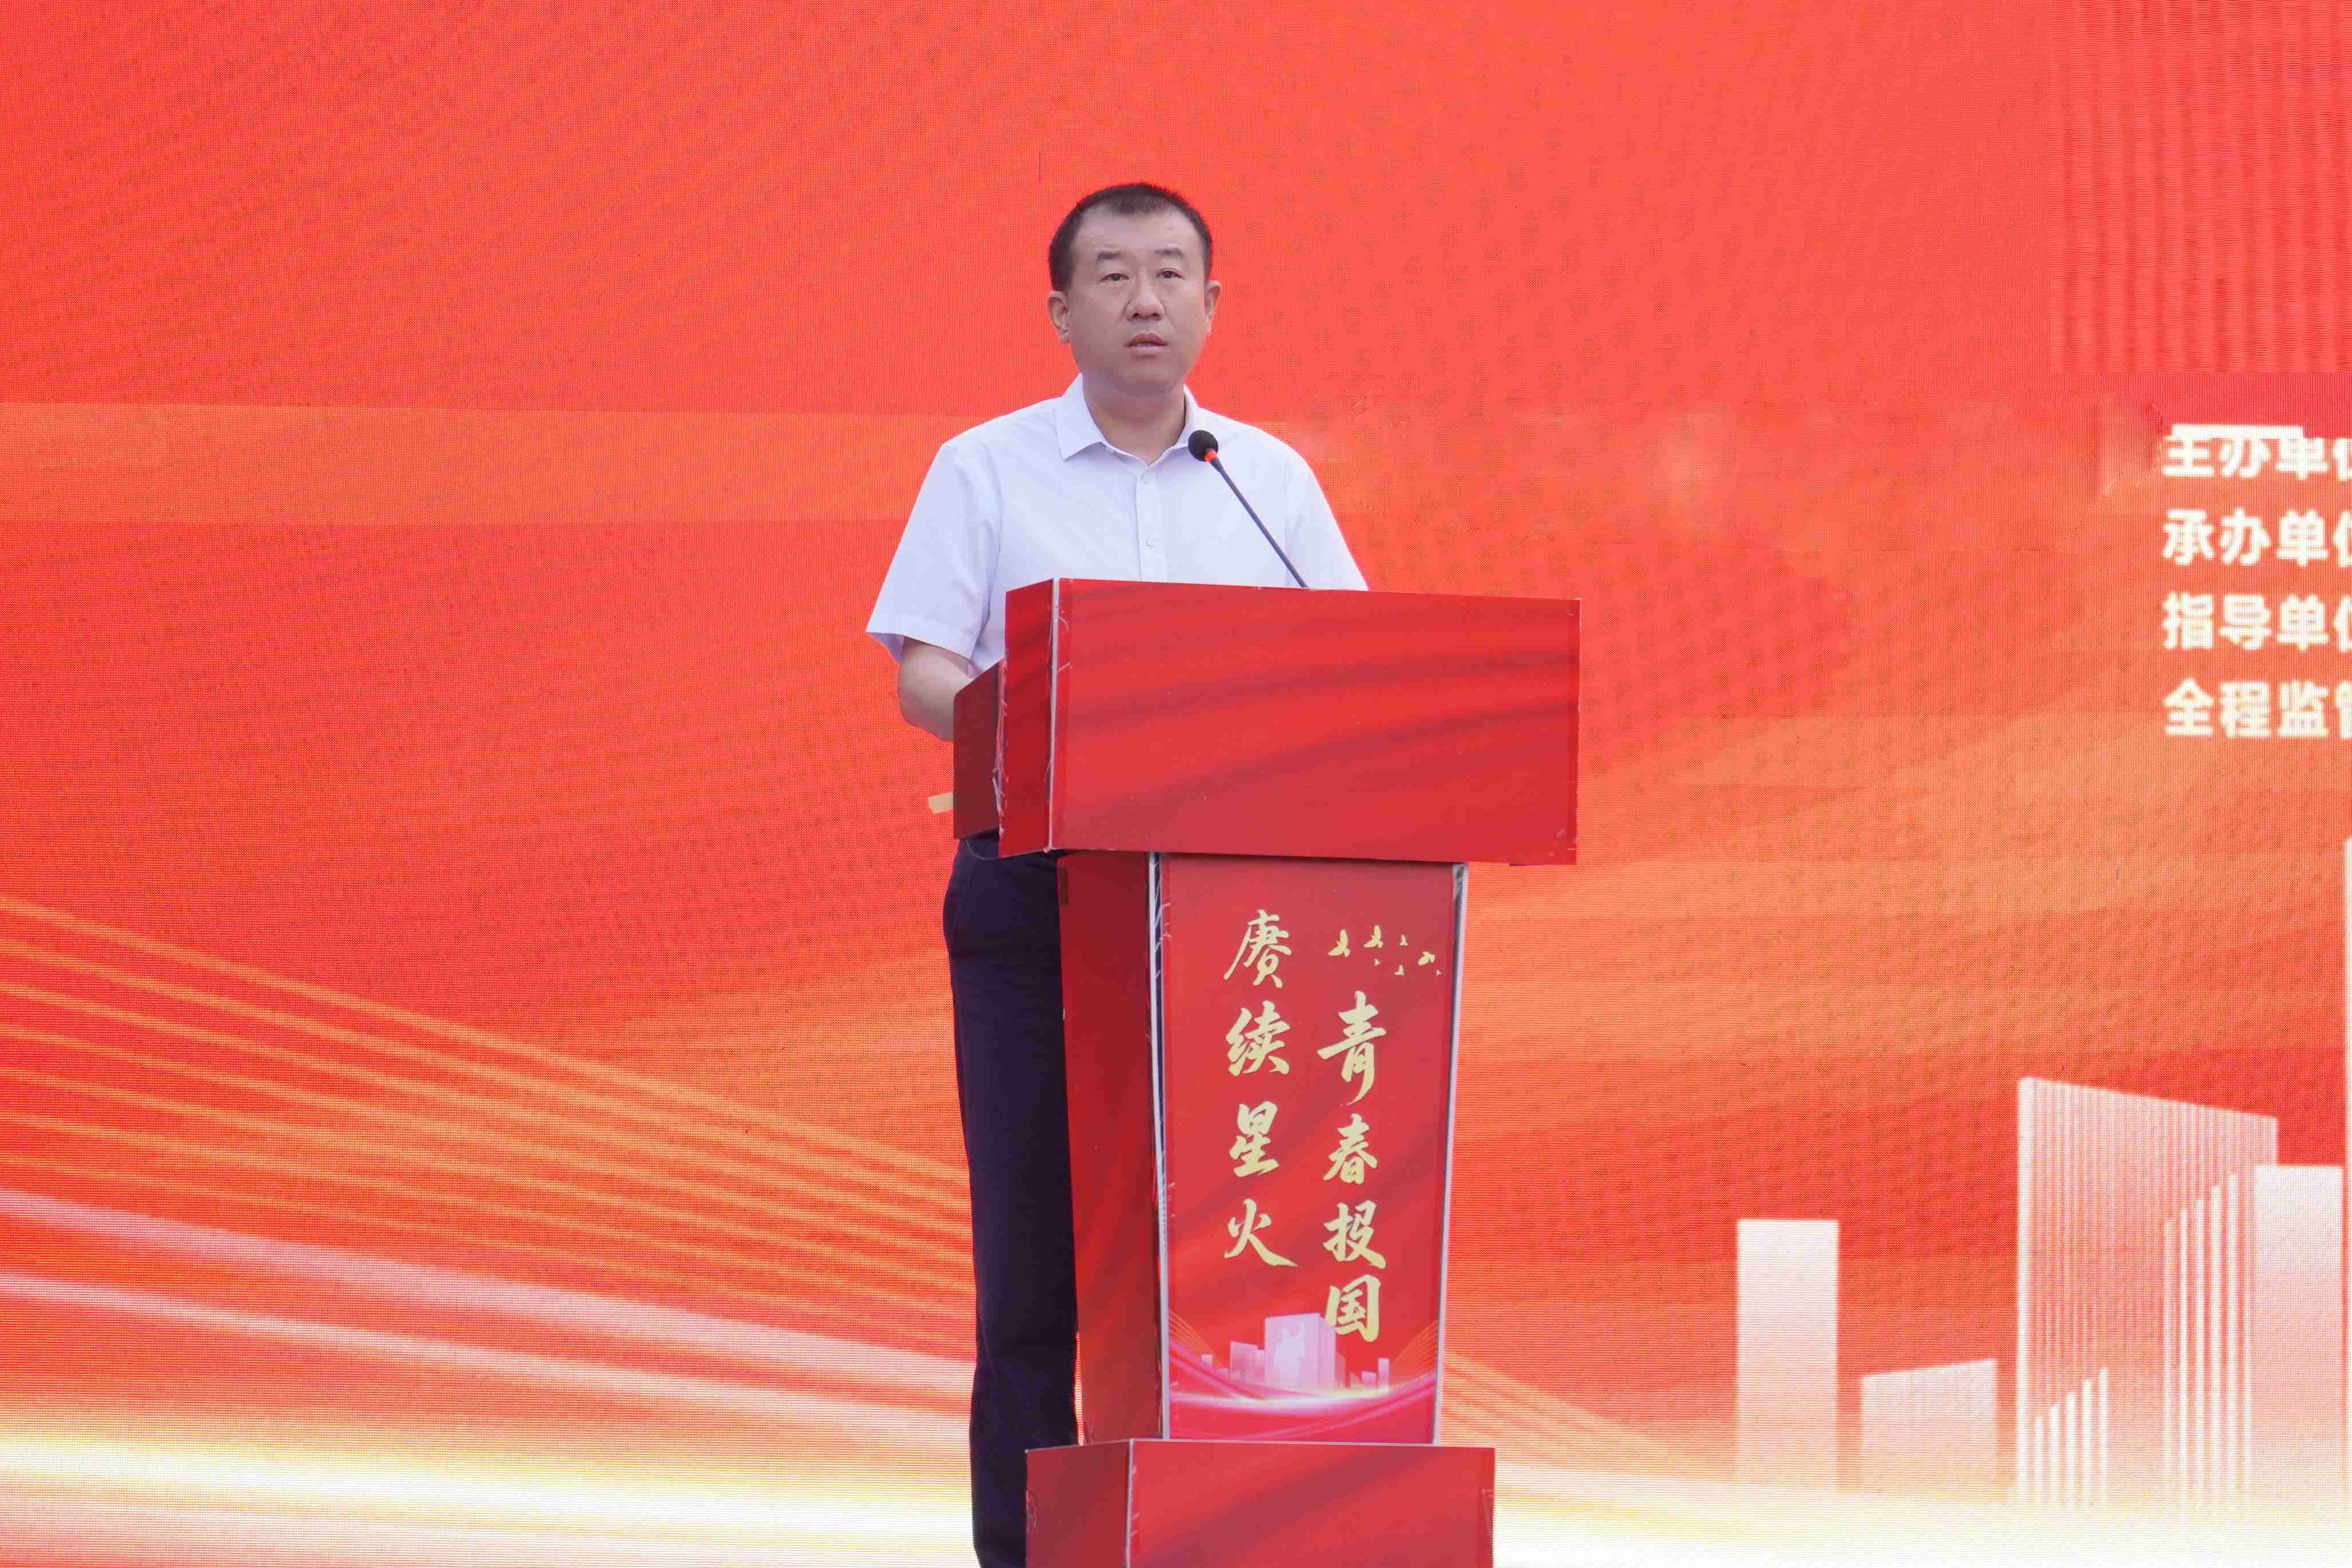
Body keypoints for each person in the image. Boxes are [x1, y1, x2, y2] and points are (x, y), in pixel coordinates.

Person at [865, 181, 1367, 1568]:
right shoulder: (984, 467)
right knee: (1035, 1265)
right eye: (1111, 276)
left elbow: (1352, 667)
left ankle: (1218, 1533)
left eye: (1168, 274)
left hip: (1232, 915)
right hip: (1037, 894)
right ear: (1060, 310)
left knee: (1222, 1249)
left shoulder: (1264, 478)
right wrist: (1044, 727)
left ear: (1211, 302)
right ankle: (1033, 1551)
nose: (1143, 300)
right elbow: (922, 670)